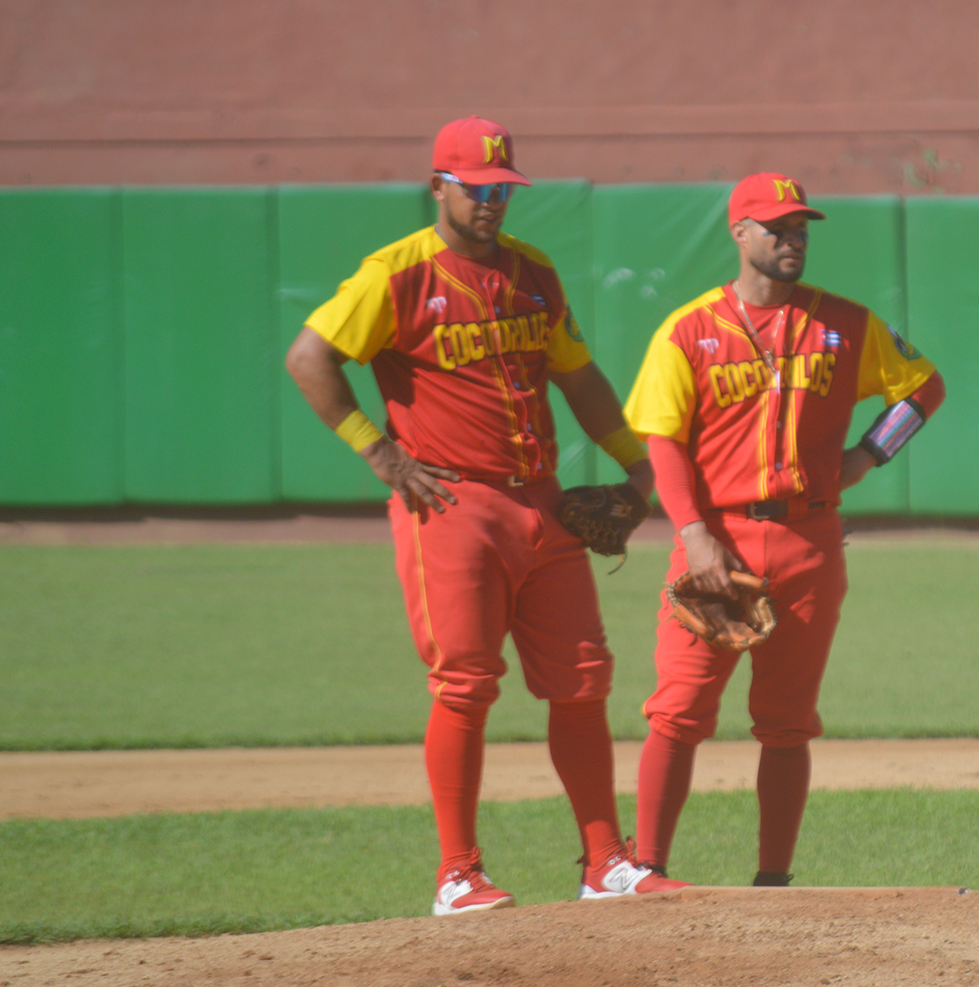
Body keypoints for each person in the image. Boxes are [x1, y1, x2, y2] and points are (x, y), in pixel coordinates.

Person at [285, 116, 684, 916]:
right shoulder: (395, 274)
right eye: (477, 188)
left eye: (504, 188)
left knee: (582, 680)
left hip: (543, 499)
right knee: (465, 683)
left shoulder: (533, 271)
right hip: (451, 502)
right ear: (440, 187)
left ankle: (604, 861)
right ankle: (456, 873)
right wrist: (380, 453)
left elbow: (580, 379)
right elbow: (309, 356)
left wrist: (639, 468)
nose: (493, 201)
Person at [622, 172, 946, 886]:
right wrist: (694, 532)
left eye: (800, 227)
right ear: (740, 234)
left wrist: (868, 455)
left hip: (809, 540)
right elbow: (663, 440)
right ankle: (642, 868)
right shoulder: (689, 329)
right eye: (777, 227)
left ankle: (774, 880)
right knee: (678, 707)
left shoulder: (844, 324)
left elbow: (924, 387)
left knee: (788, 719)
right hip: (715, 542)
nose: (793, 238)